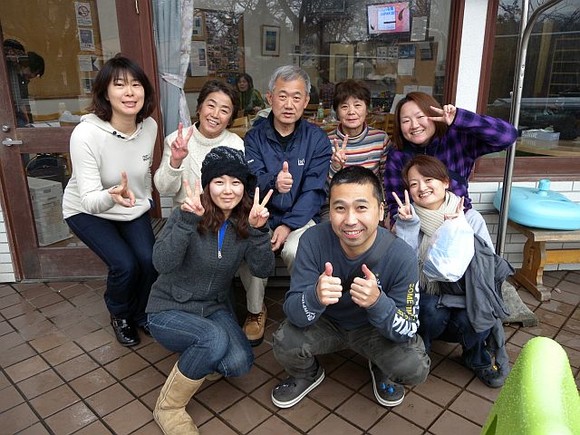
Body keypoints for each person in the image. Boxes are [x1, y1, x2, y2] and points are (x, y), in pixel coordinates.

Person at [270, 166, 430, 409]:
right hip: (327, 323)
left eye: (361, 207)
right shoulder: (312, 241)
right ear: (329, 210)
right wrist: (314, 297)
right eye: (340, 208)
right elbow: (293, 311)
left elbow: (407, 328)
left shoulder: (401, 256)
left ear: (380, 211)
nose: (350, 219)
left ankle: (381, 365)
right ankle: (308, 374)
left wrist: (378, 302)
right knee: (284, 342)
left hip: (374, 329)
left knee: (413, 367)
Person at [147, 146, 275, 434]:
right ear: (207, 185)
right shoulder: (188, 214)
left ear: (244, 187)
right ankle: (168, 408)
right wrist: (186, 222)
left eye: (236, 182)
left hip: (211, 307)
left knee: (240, 363)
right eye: (219, 181)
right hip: (168, 307)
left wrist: (259, 232)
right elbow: (161, 263)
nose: (228, 190)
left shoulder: (246, 222)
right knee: (212, 338)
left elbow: (263, 269)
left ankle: (200, 354)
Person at [393, 155, 513, 388]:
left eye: (428, 179)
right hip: (429, 298)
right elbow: (405, 271)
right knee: (428, 308)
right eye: (414, 184)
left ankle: (476, 357)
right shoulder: (407, 219)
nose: (422, 188)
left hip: (465, 296)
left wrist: (459, 232)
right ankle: (419, 353)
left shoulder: (470, 218)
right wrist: (407, 228)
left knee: (478, 313)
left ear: (446, 182)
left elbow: (486, 266)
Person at [62, 54, 158, 347]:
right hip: (86, 209)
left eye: (136, 85)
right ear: (105, 92)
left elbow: (143, 174)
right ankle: (120, 314)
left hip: (130, 206)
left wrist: (143, 199)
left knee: (149, 261)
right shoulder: (86, 134)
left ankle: (141, 312)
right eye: (119, 85)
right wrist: (111, 195)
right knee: (124, 265)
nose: (130, 92)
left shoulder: (149, 127)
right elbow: (90, 200)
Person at [240, 65, 332, 346]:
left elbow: (314, 190)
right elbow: (250, 180)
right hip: (261, 213)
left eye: (296, 97)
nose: (289, 104)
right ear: (270, 98)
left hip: (300, 216)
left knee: (296, 249)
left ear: (306, 101)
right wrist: (273, 182)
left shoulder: (317, 139)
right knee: (253, 246)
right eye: (282, 96)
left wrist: (288, 225)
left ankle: (304, 306)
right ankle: (255, 310)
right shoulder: (254, 137)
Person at [384, 91, 518, 241]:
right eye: (406, 121)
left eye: (420, 117)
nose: (414, 125)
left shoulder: (457, 139)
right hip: (419, 229)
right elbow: (396, 201)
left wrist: (460, 119)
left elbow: (508, 136)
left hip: (460, 221)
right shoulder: (398, 155)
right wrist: (399, 226)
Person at [154, 79, 243, 208]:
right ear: (199, 108)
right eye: (211, 106)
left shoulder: (235, 144)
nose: (215, 114)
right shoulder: (177, 140)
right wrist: (175, 162)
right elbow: (164, 189)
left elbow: (238, 192)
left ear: (230, 119)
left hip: (223, 215)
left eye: (224, 111)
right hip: (185, 214)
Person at [324, 79, 390, 217]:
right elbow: (322, 190)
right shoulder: (326, 142)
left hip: (370, 206)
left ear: (367, 109)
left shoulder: (379, 139)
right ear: (337, 112)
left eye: (357, 105)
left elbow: (386, 181)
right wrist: (335, 167)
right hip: (338, 207)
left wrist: (385, 211)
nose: (351, 112)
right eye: (344, 107)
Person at [3, 39, 45, 127]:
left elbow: (22, 102)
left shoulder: (19, 77)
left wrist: (28, 120)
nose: (14, 59)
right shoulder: (7, 72)